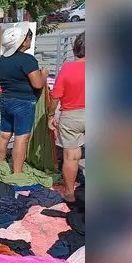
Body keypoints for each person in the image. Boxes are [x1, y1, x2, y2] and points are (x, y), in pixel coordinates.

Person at [0, 24, 46, 174]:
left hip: (5, 100)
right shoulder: (27, 60)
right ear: (23, 41)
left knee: (4, 135)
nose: (30, 39)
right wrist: (44, 74)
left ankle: (0, 166)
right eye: (29, 37)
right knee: (21, 139)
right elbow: (37, 84)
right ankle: (17, 174)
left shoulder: (2, 60)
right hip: (23, 102)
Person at [49, 32, 85, 201]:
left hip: (71, 116)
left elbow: (55, 95)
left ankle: (70, 194)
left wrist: (51, 114)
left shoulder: (68, 67)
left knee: (71, 157)